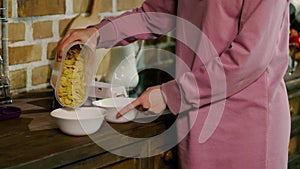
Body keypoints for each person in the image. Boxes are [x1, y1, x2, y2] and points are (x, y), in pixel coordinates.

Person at [57, 0, 291, 168]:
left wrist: (172, 93)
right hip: (195, 119)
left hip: (248, 125)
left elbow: (249, 59)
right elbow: (155, 14)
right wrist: (99, 33)